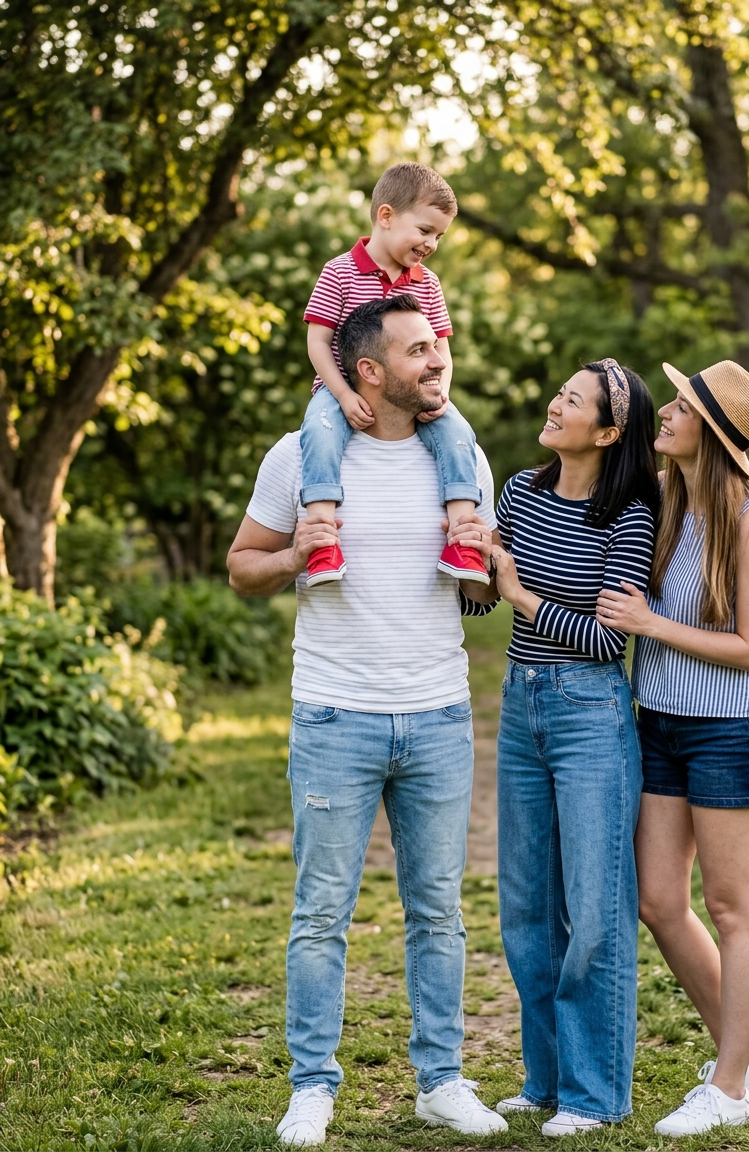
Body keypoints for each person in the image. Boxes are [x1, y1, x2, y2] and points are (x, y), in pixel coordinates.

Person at [226, 294, 507, 1146]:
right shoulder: (300, 456)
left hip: (437, 716)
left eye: (437, 347)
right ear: (370, 372)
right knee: (320, 913)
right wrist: (295, 554)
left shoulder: (461, 458)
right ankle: (312, 1086)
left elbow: (481, 593)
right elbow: (243, 568)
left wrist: (490, 569)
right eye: (418, 350)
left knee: (439, 911)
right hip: (335, 714)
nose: (437, 361)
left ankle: (443, 1081)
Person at [596, 359, 749, 1138]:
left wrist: (650, 626)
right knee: (659, 901)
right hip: (663, 722)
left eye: (679, 407)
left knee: (731, 907)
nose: (666, 415)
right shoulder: (671, 502)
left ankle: (731, 1086)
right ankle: (741, 1056)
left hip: (733, 729)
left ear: (709, 432)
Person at [486, 360, 659, 1136]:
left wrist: (521, 595)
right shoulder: (520, 492)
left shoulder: (630, 514)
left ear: (610, 431)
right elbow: (481, 592)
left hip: (590, 712)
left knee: (594, 911)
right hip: (521, 704)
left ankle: (595, 1096)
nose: (555, 405)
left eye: (574, 401)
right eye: (558, 392)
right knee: (526, 909)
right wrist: (469, 559)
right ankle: (546, 1081)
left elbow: (603, 640)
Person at [299, 161, 488, 588]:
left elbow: (442, 348)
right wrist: (344, 396)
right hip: (341, 387)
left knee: (458, 433)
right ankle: (323, 539)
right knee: (321, 431)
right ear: (386, 216)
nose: (431, 243)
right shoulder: (341, 271)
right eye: (425, 231)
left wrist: (438, 395)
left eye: (439, 236)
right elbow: (317, 342)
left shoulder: (427, 283)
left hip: (413, 390)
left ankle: (462, 538)